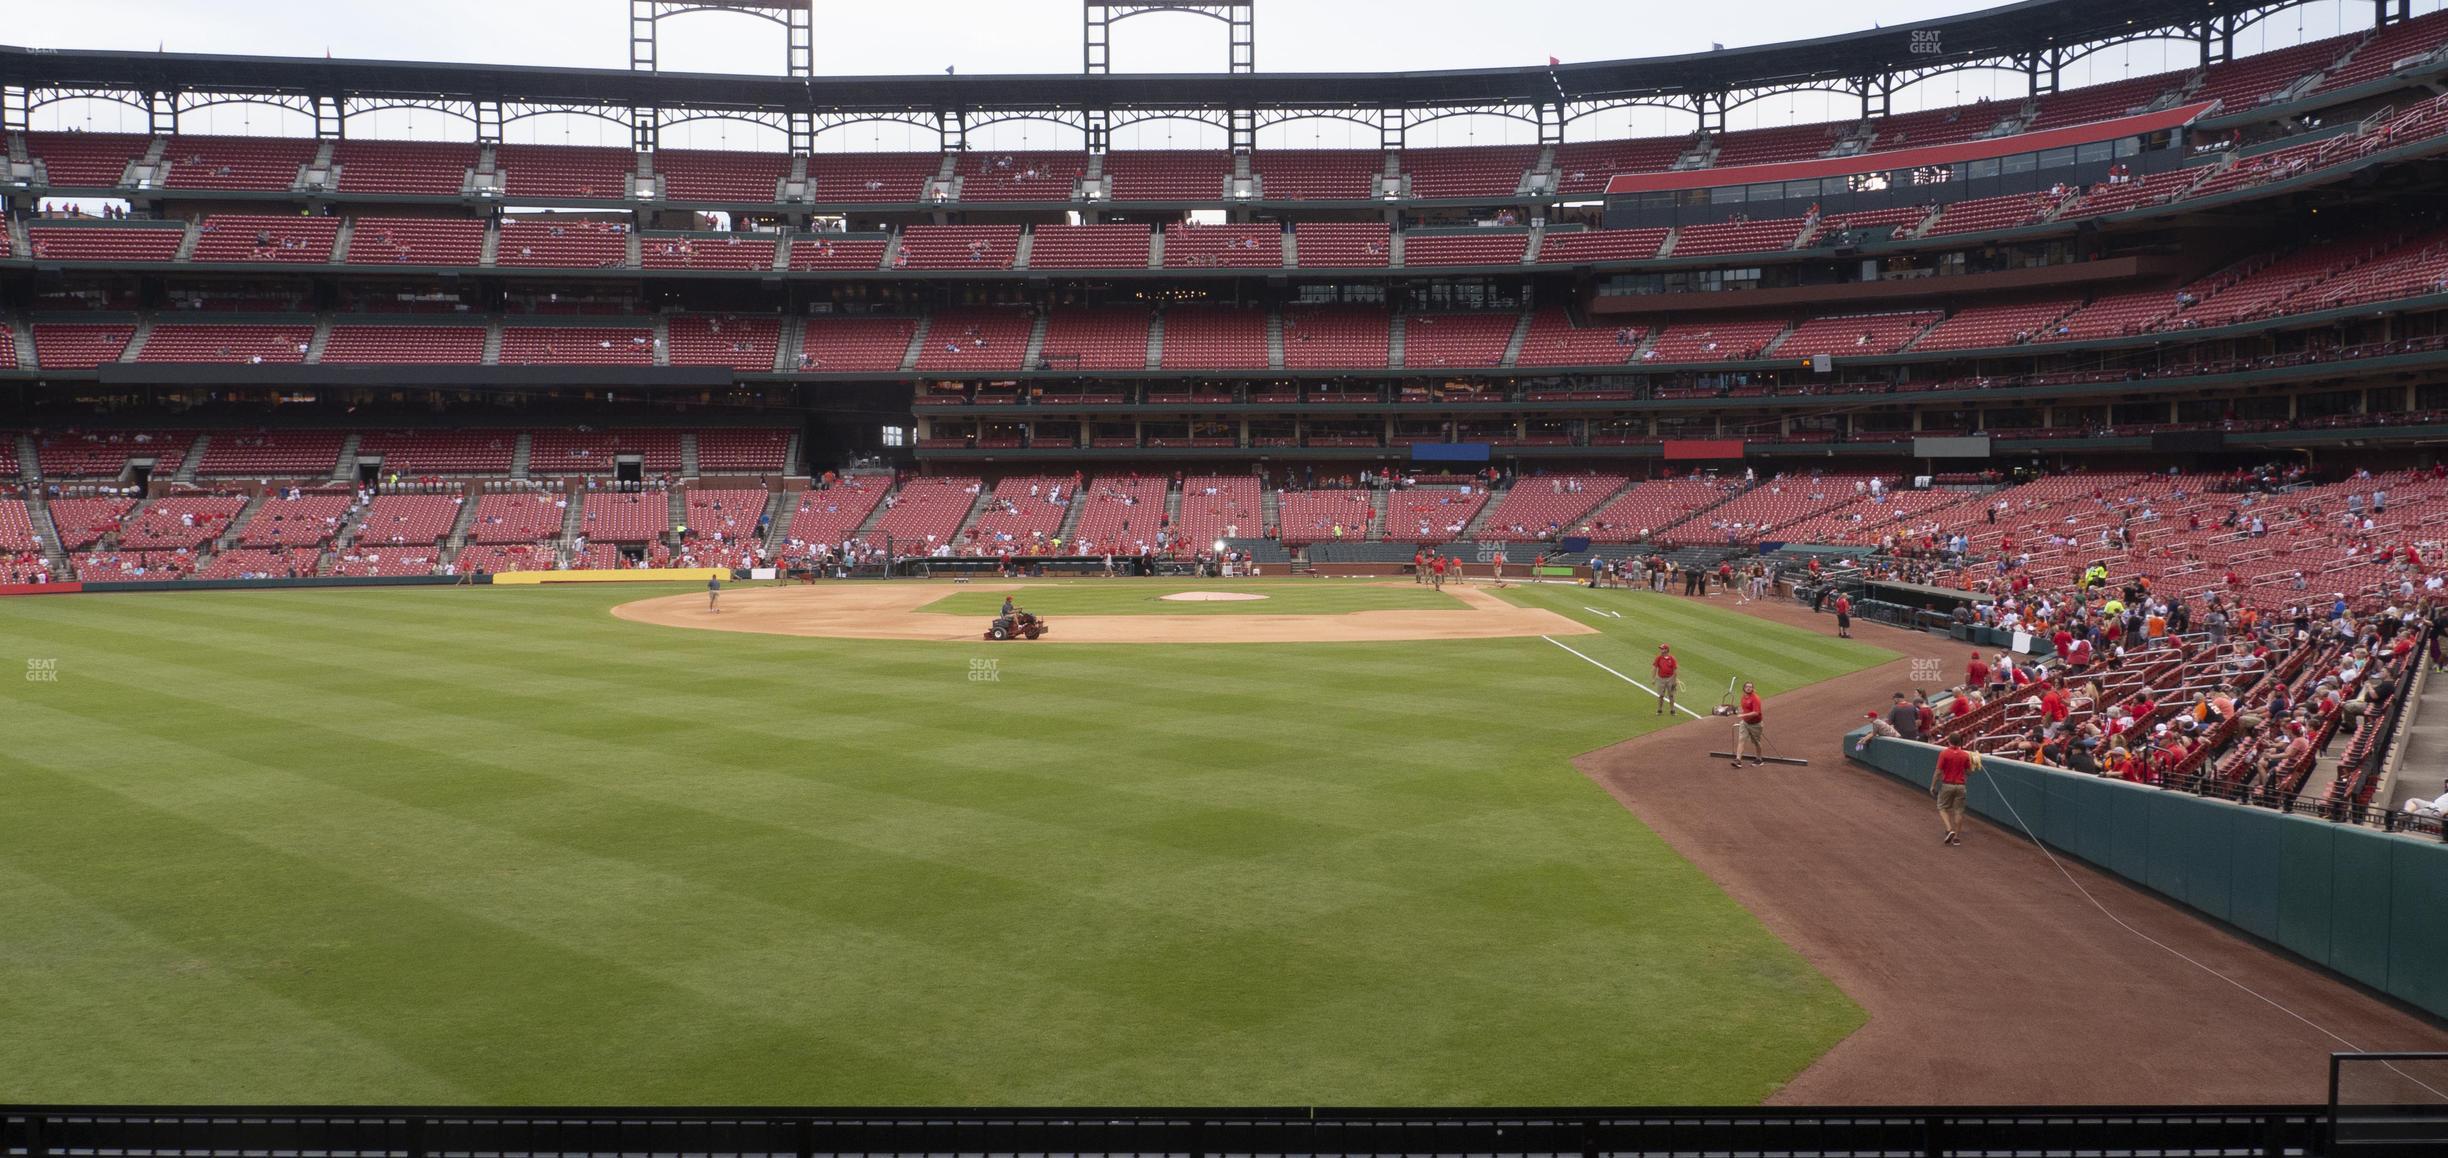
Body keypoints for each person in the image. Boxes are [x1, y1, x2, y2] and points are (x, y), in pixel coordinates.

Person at [1932, 741, 1981, 846]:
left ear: (1949, 741)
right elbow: (1969, 772)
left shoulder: (1944, 753)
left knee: (1942, 807)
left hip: (1947, 785)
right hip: (1961, 786)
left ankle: (1949, 830)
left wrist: (1933, 785)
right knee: (1959, 811)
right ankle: (1956, 838)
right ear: (1960, 743)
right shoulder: (1965, 754)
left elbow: (1938, 771)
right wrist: (1974, 765)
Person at [1730, 681, 1765, 768]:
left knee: (1756, 742)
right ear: (1744, 688)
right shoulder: (1743, 697)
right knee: (1741, 740)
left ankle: (1759, 759)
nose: (1748, 688)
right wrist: (1736, 711)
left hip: (1755, 724)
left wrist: (1743, 715)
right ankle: (1738, 760)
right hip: (1745, 723)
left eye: (1750, 687)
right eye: (1747, 687)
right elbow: (1745, 709)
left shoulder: (1755, 698)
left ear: (1753, 689)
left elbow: (1756, 713)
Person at [1652, 644, 1679, 716]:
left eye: (1662, 649)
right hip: (1661, 679)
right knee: (1661, 695)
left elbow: (1675, 670)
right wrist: (1654, 678)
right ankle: (1659, 710)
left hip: (1670, 679)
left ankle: (1672, 710)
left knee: (1671, 695)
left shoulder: (1672, 659)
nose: (1661, 650)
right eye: (1661, 649)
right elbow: (1654, 668)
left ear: (1666, 650)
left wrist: (1675, 680)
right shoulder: (1658, 658)